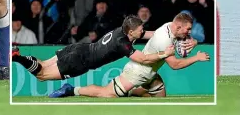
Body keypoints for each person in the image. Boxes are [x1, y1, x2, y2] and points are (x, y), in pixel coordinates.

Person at [12, 15, 189, 91]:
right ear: (131, 32)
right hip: (79, 61)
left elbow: (150, 34)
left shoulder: (122, 30)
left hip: (79, 47)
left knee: (42, 63)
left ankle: (18, 56)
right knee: (42, 75)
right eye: (140, 29)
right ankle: (18, 58)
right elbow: (142, 58)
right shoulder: (122, 44)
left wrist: (172, 34)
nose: (143, 30)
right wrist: (164, 54)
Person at [59, 13, 210, 98]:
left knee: (161, 103)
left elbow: (181, 39)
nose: (189, 32)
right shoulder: (163, 39)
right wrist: (197, 57)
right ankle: (71, 90)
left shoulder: (170, 25)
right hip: (137, 72)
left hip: (150, 73)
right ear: (178, 26)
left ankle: (131, 91)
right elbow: (175, 65)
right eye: (188, 29)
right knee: (105, 93)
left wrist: (194, 42)